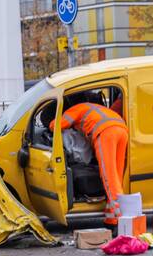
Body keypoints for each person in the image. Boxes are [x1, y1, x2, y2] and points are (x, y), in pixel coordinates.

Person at [52, 92, 128, 225]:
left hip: (105, 133)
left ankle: (119, 220)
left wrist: (52, 121)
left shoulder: (76, 109)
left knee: (109, 177)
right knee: (117, 177)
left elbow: (58, 125)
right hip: (122, 131)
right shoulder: (95, 108)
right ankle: (112, 218)